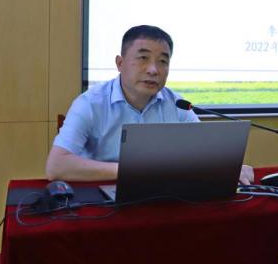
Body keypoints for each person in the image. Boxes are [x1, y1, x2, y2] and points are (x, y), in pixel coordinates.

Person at [45, 25, 254, 184]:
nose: (153, 70)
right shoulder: (90, 104)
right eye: (143, 58)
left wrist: (229, 167)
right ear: (120, 63)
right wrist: (132, 172)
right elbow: (56, 166)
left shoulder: (178, 105)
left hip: (164, 196)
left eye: (163, 61)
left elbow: (204, 155)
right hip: (104, 197)